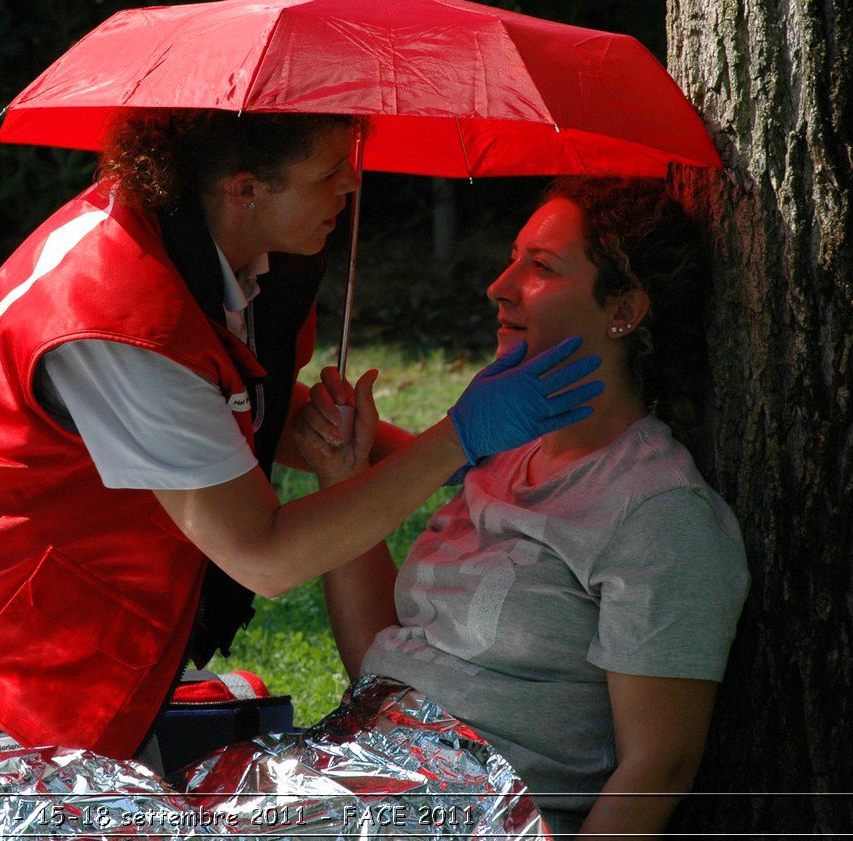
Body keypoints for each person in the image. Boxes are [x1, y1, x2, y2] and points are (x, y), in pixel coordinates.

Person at [0, 110, 603, 771]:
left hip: (38, 576)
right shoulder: (123, 316)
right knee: (73, 808)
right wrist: (456, 441)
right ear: (246, 190)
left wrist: (457, 461)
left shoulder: (196, 236)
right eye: (330, 172)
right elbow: (265, 553)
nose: (352, 186)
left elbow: (232, 408)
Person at [298, 177, 749, 839]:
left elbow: (661, 765)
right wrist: (341, 475)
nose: (500, 285)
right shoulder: (500, 456)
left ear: (623, 307)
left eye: (540, 268)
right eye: (513, 258)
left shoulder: (657, 511)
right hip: (354, 783)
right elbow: (379, 656)